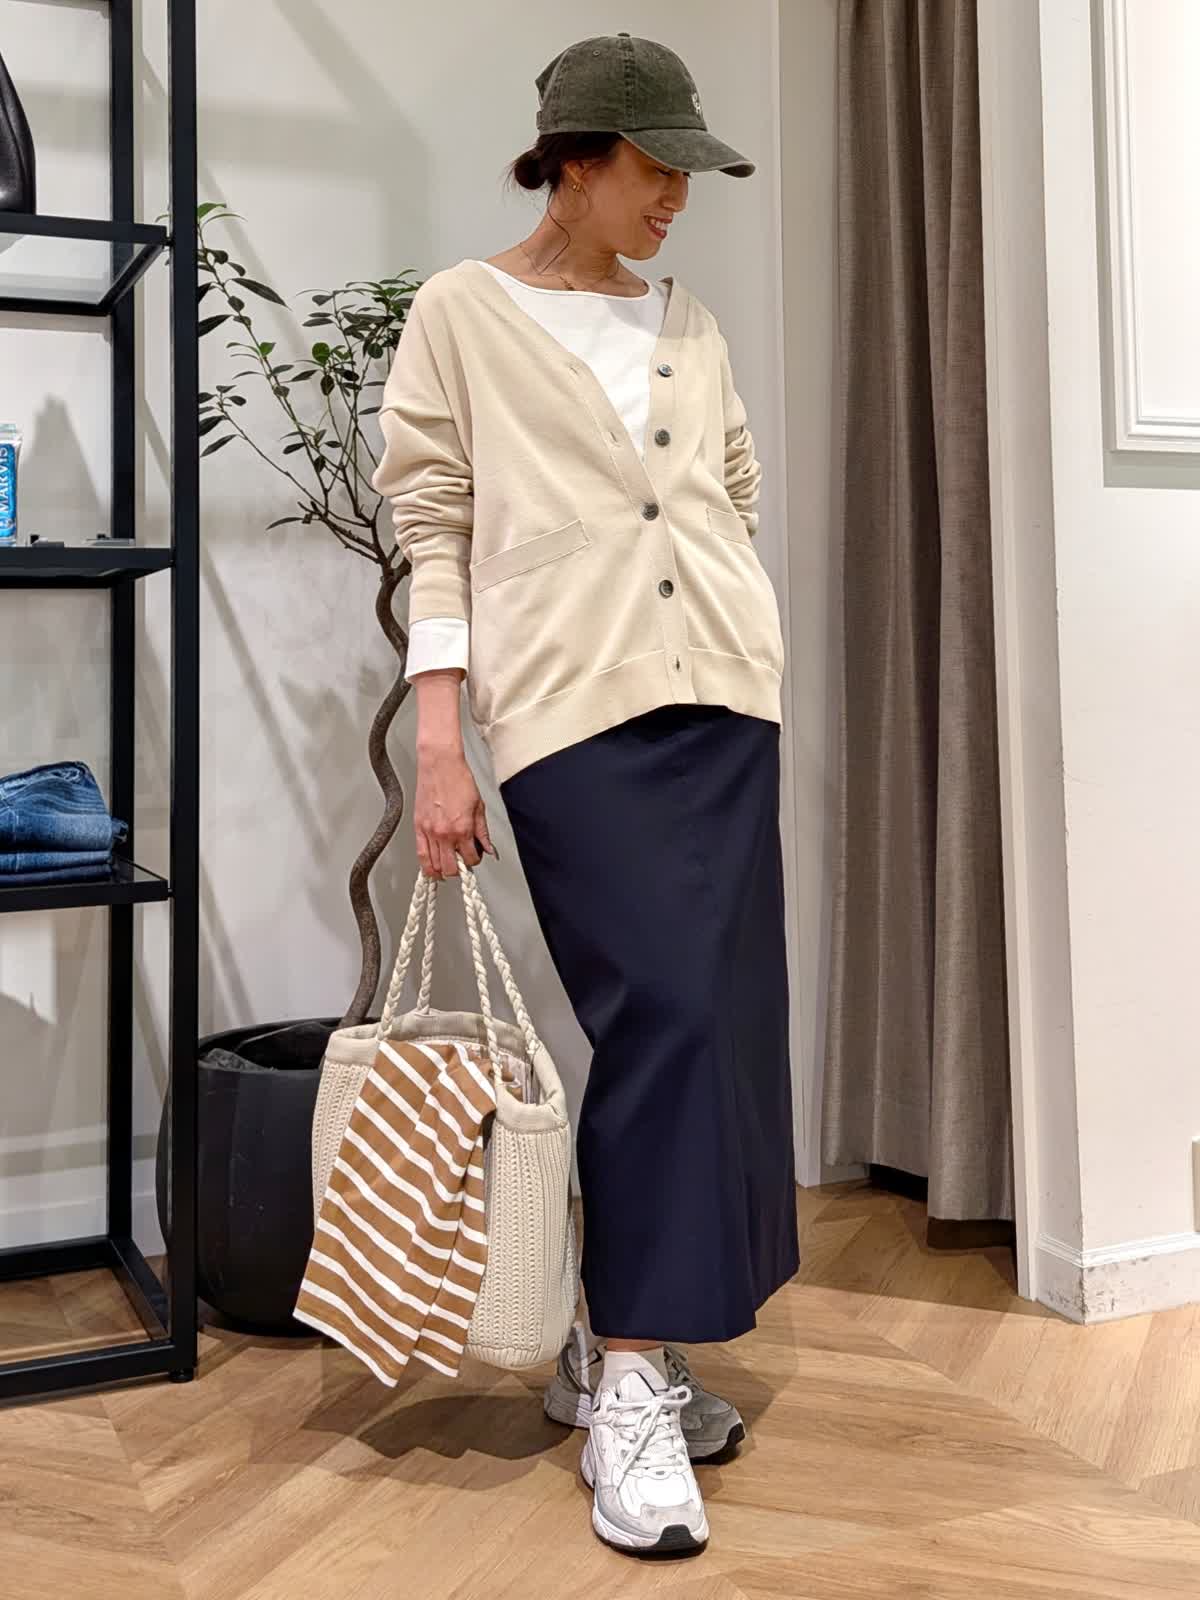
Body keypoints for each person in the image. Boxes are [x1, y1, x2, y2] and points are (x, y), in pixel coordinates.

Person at [370, 31, 799, 1559]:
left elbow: (731, 493)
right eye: (656, 166)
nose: (677, 197)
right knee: (664, 1006)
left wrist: (730, 618)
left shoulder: (689, 322)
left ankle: (624, 1345)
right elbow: (431, 519)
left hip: (723, 705)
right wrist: (439, 738)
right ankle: (627, 1386)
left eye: (688, 173)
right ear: (575, 159)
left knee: (716, 1023)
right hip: (569, 712)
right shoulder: (461, 313)